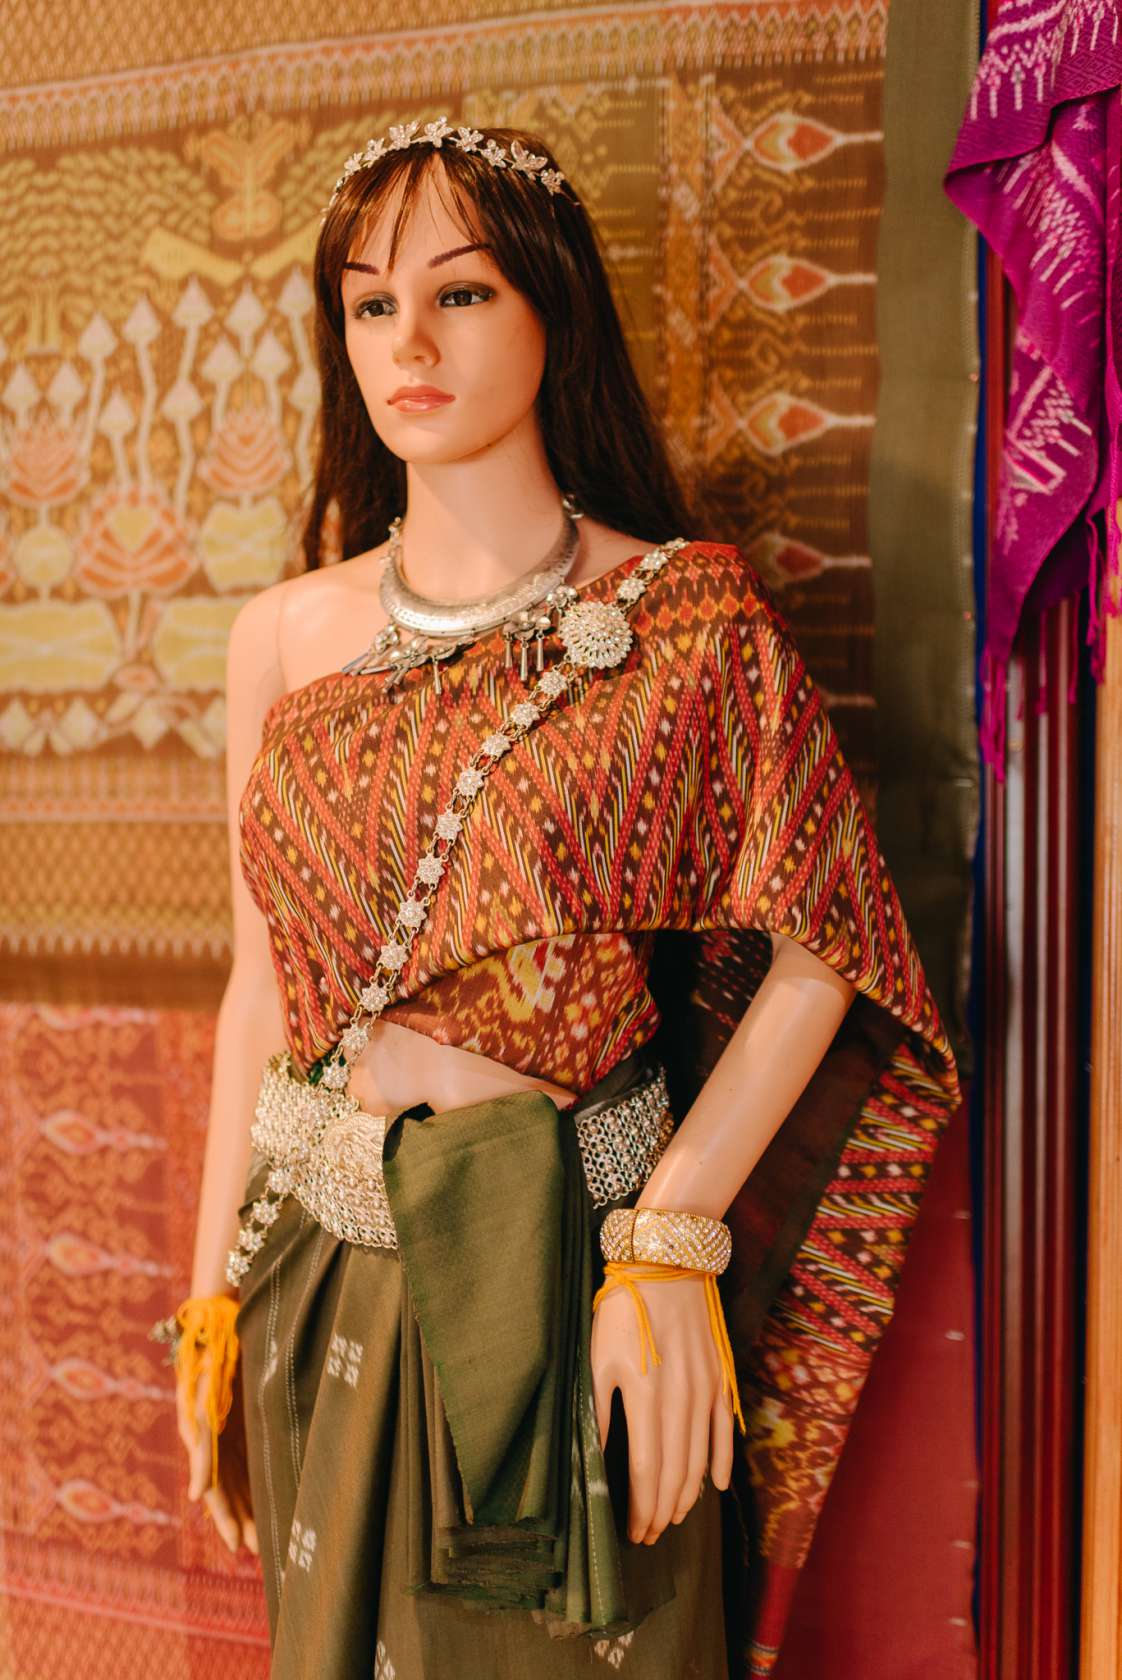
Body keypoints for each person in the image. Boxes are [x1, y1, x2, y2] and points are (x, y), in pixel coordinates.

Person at [153, 119, 961, 1678]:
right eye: (370, 304)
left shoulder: (686, 624)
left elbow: (827, 942)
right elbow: (262, 985)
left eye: (459, 293)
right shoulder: (284, 638)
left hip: (579, 1273)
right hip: (322, 1269)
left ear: (552, 309)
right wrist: (209, 1302)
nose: (409, 343)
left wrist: (670, 1237)